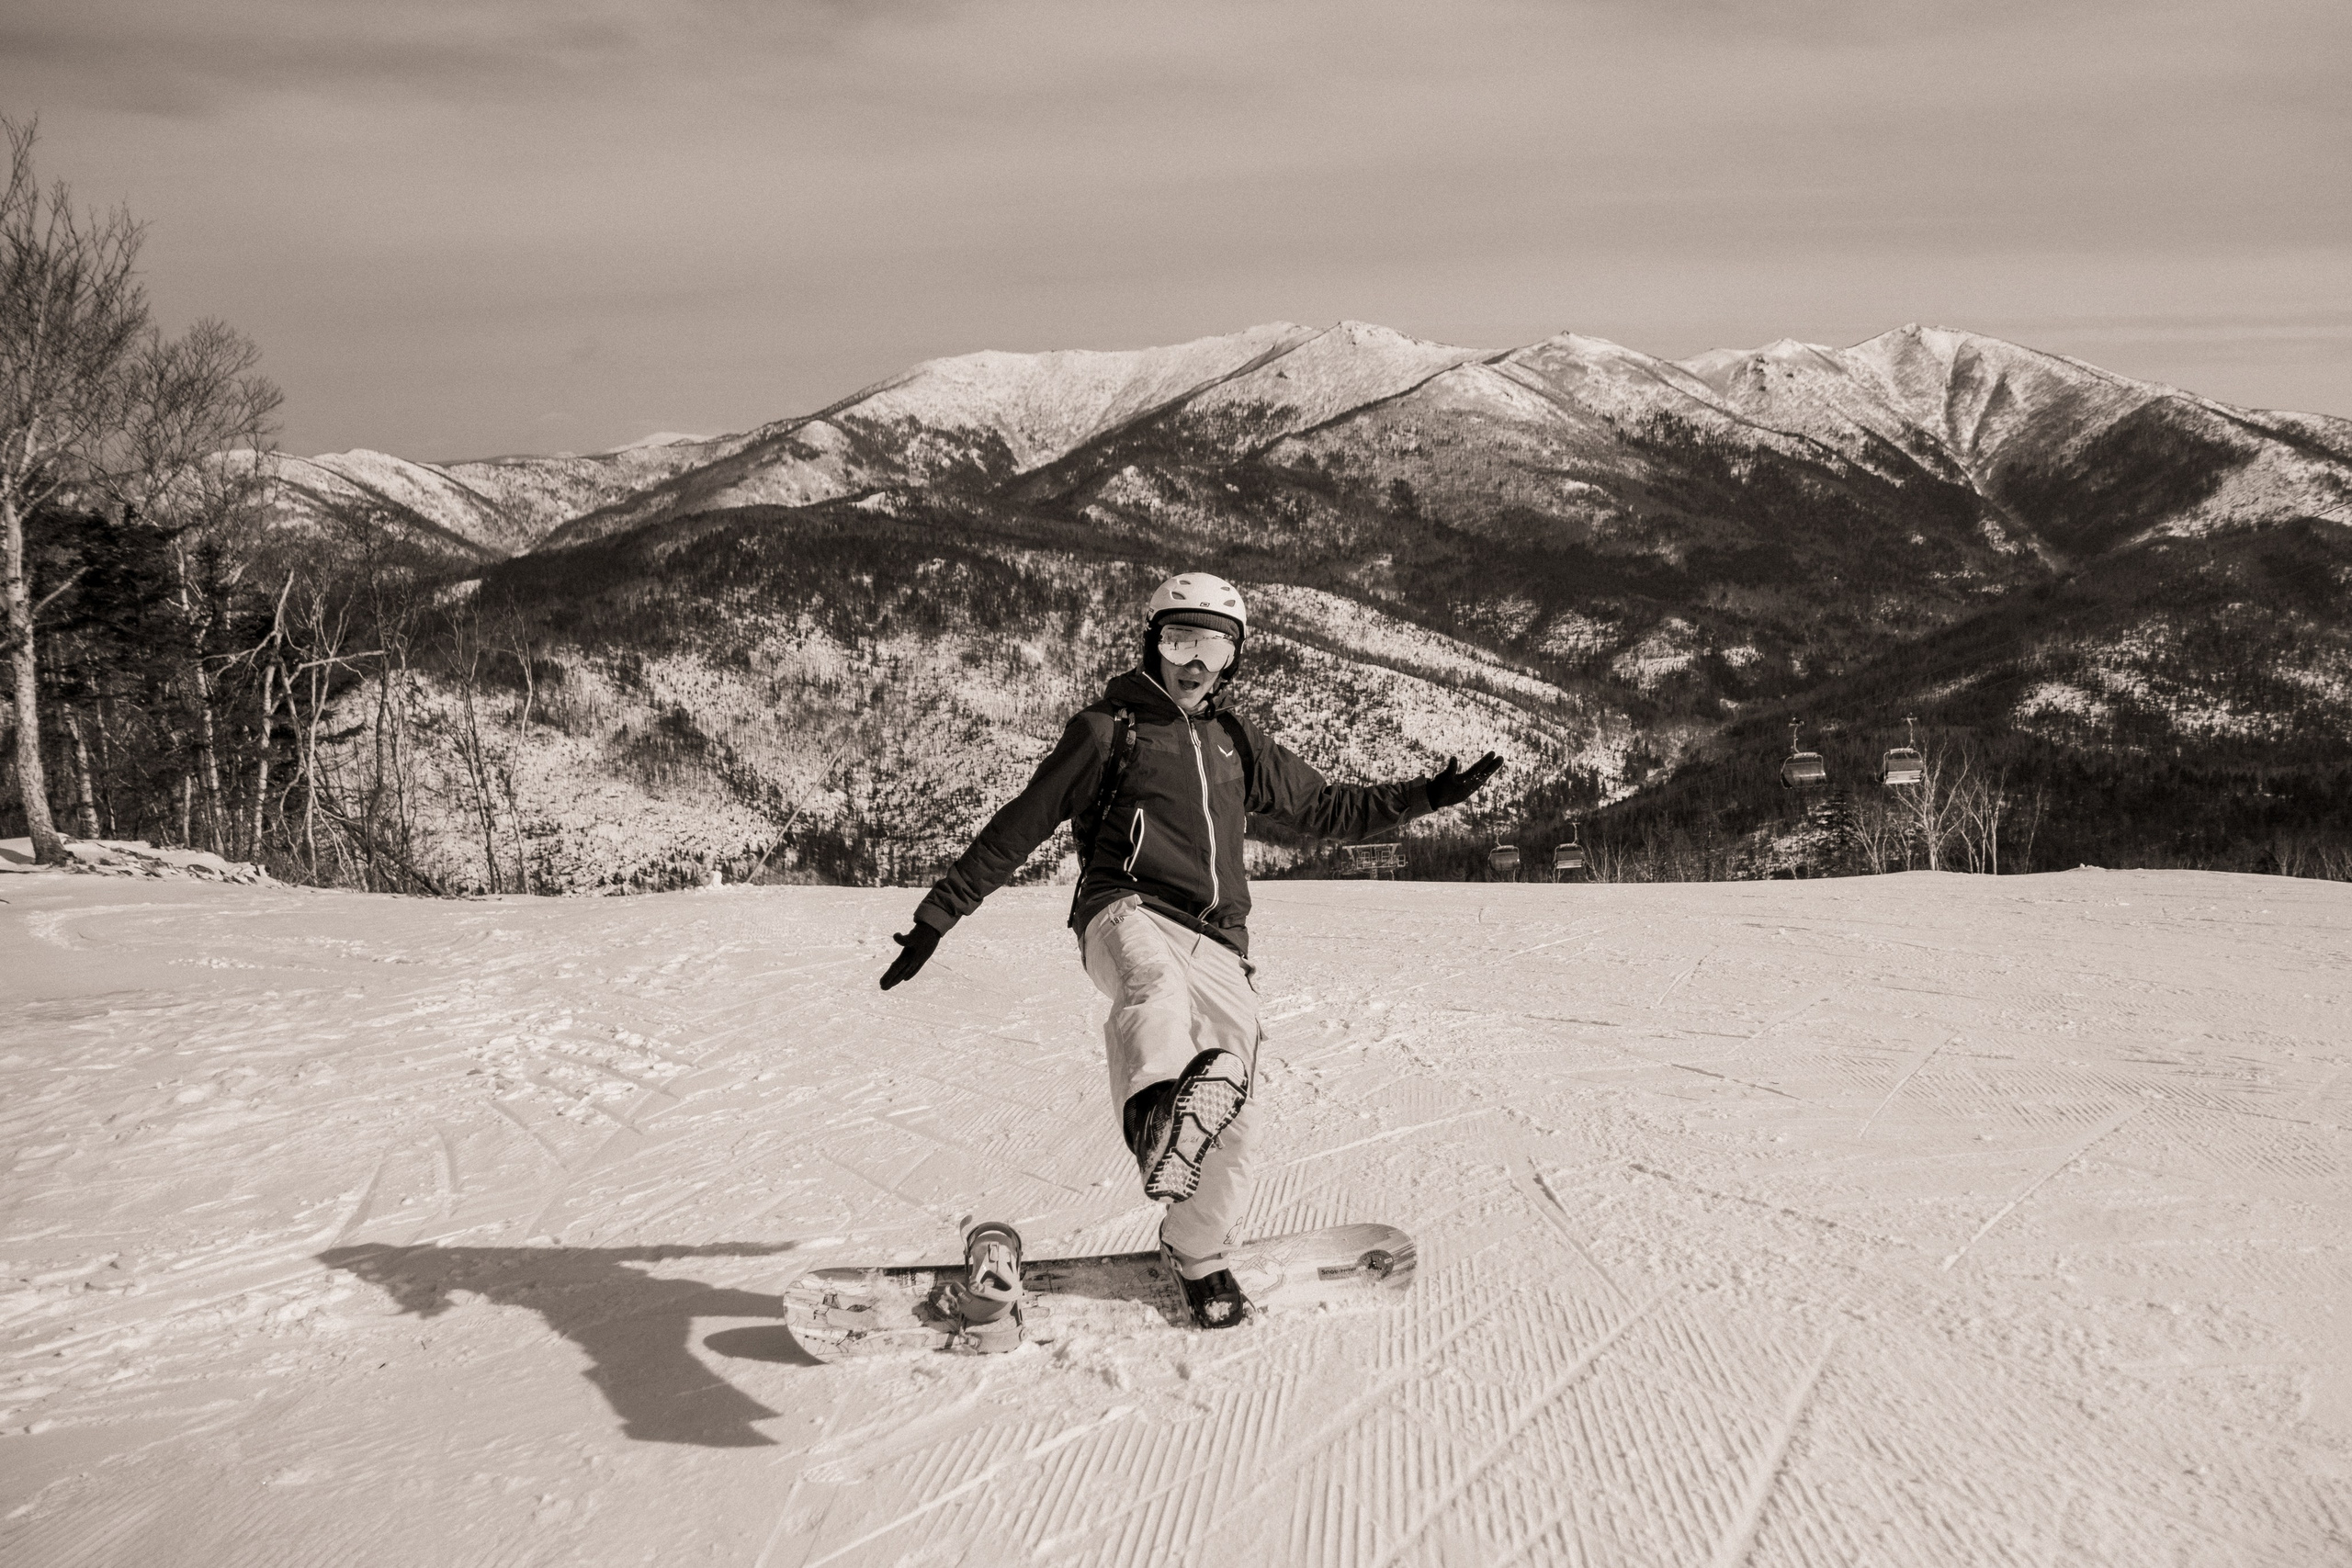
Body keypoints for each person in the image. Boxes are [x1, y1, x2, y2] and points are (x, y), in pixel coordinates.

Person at [876, 572, 1502, 1328]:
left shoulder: (1237, 740)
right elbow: (1023, 822)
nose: (1194, 661)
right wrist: (940, 914)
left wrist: (1426, 796)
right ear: (1153, 641)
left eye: (1213, 644)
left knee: (1235, 1121)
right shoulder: (1108, 729)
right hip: (1125, 908)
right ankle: (1153, 1119)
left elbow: (1327, 807)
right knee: (1154, 995)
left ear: (1232, 658)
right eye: (1180, 639)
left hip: (1222, 945)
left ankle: (1194, 1247)